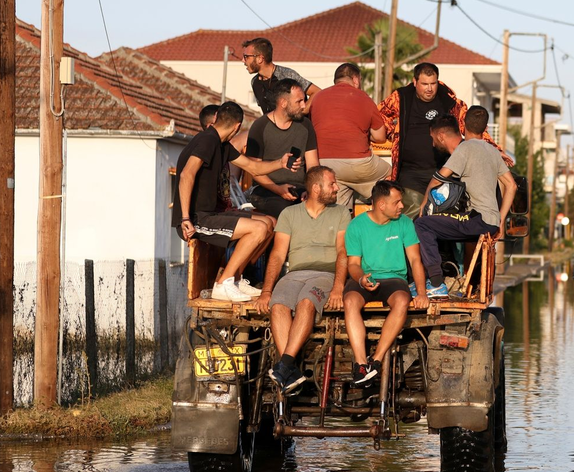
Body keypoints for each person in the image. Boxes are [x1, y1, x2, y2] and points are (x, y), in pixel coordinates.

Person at [174, 101, 298, 302]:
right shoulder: (207, 141)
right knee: (257, 229)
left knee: (268, 223)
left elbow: (253, 168)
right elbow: (186, 174)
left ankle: (236, 279)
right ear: (238, 126)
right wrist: (185, 217)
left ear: (217, 119)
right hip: (198, 218)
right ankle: (223, 283)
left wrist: (280, 163)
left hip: (214, 214)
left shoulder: (221, 145)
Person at [255, 166, 350, 393]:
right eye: (332, 184)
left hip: (325, 274)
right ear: (316, 188)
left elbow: (342, 252)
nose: (336, 188)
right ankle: (290, 372)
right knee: (277, 305)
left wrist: (338, 287)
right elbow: (278, 254)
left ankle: (285, 366)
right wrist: (266, 291)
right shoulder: (289, 214)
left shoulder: (341, 213)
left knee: (306, 302)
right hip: (294, 274)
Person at [378, 62, 510, 217]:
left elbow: (471, 125)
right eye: (424, 84)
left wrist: (492, 148)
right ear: (415, 82)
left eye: (433, 83)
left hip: (442, 170)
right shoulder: (401, 97)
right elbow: (378, 115)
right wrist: (392, 132)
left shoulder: (447, 100)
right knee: (411, 218)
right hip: (410, 172)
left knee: (442, 220)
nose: (429, 88)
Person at [415, 115, 517, 297]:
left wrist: (424, 202)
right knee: (443, 223)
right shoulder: (492, 151)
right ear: (485, 127)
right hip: (489, 221)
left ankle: (436, 283)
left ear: (464, 125)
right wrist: (500, 220)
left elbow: (438, 179)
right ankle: (454, 280)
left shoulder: (465, 148)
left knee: (422, 224)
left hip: (477, 219)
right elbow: (512, 185)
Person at [343, 180, 430, 383]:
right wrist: (361, 278)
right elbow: (353, 264)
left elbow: (415, 260)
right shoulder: (357, 225)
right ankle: (360, 364)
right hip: (366, 277)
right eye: (397, 202)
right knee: (350, 302)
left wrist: (421, 293)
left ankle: (376, 360)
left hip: (394, 279)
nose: (402, 206)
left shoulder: (405, 223)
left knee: (401, 300)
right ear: (381, 205)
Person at [310, 63, 390, 210]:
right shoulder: (362, 97)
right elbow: (380, 137)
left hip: (325, 164)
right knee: (392, 174)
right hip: (358, 163)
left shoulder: (318, 97)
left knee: (339, 208)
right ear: (356, 79)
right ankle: (381, 216)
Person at [244, 79, 319, 218]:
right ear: (283, 103)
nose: (304, 106)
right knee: (287, 212)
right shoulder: (260, 126)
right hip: (266, 189)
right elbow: (254, 170)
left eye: (304, 100)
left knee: (321, 206)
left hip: (299, 188)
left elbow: (313, 166)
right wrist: (278, 189)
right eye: (299, 101)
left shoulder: (305, 125)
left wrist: (309, 189)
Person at [241, 37, 320, 114]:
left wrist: (301, 112)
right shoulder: (255, 82)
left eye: (246, 57)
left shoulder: (286, 74)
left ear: (260, 58)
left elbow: (317, 92)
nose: (243, 61)